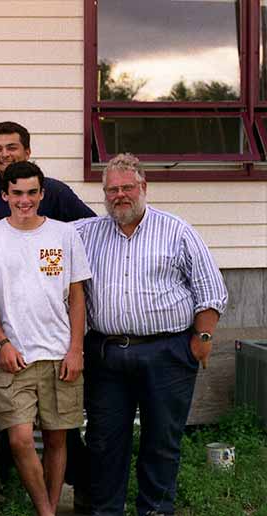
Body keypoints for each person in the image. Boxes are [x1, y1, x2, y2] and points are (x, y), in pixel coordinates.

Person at [75, 153, 228, 516]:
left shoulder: (177, 231)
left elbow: (211, 289)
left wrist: (202, 340)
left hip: (168, 353)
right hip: (107, 354)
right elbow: (39, 230)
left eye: (127, 187)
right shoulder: (85, 233)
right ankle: (106, 510)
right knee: (105, 441)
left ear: (143, 187)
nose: (119, 195)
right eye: (112, 189)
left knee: (162, 441)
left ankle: (156, 510)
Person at [0, 161, 91, 516]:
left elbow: (78, 296)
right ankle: (46, 509)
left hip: (59, 355)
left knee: (57, 438)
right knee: (20, 438)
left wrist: (76, 349)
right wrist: (1, 342)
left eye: (32, 193)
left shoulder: (64, 234)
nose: (25, 201)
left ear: (42, 194)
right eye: (18, 193)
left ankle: (49, 507)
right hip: (15, 357)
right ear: (5, 194)